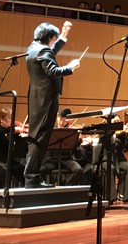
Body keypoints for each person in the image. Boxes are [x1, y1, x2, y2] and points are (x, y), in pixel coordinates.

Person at [24, 22, 80, 189]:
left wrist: (63, 36)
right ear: (48, 37)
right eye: (54, 39)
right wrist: (70, 67)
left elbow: (50, 53)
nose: (54, 42)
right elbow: (53, 71)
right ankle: (32, 178)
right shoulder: (43, 50)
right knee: (40, 138)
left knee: (37, 136)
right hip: (45, 99)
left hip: (36, 97)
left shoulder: (33, 48)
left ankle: (31, 177)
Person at [40, 108, 86, 186]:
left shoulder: (71, 132)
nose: (61, 122)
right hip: (53, 160)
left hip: (67, 159)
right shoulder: (52, 130)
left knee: (78, 170)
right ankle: (43, 188)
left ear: (68, 120)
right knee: (41, 170)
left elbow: (74, 146)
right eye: (60, 119)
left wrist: (78, 140)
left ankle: (65, 187)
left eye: (64, 120)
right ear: (57, 117)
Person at [0, 107, 26, 188]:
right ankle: (1, 194)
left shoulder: (11, 132)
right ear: (1, 119)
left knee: (24, 170)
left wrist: (20, 136)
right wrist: (13, 130)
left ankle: (23, 192)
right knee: (4, 171)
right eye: (10, 118)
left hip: (9, 162)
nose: (13, 120)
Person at [111, 116, 128, 203]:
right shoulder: (106, 133)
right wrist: (115, 135)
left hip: (119, 160)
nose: (117, 123)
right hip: (110, 160)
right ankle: (112, 196)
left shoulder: (122, 134)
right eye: (115, 121)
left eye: (118, 121)